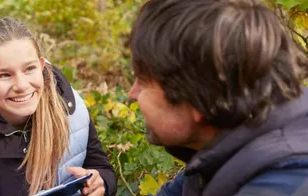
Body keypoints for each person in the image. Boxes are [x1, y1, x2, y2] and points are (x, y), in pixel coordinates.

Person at [126, 0, 308, 195]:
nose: (132, 94)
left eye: (143, 82)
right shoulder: (222, 149)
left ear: (194, 95)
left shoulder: (285, 181)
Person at [0, 17, 117, 196]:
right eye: (4, 75)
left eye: (29, 69)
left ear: (41, 66)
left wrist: (101, 183)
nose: (21, 86)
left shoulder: (71, 112)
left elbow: (103, 170)